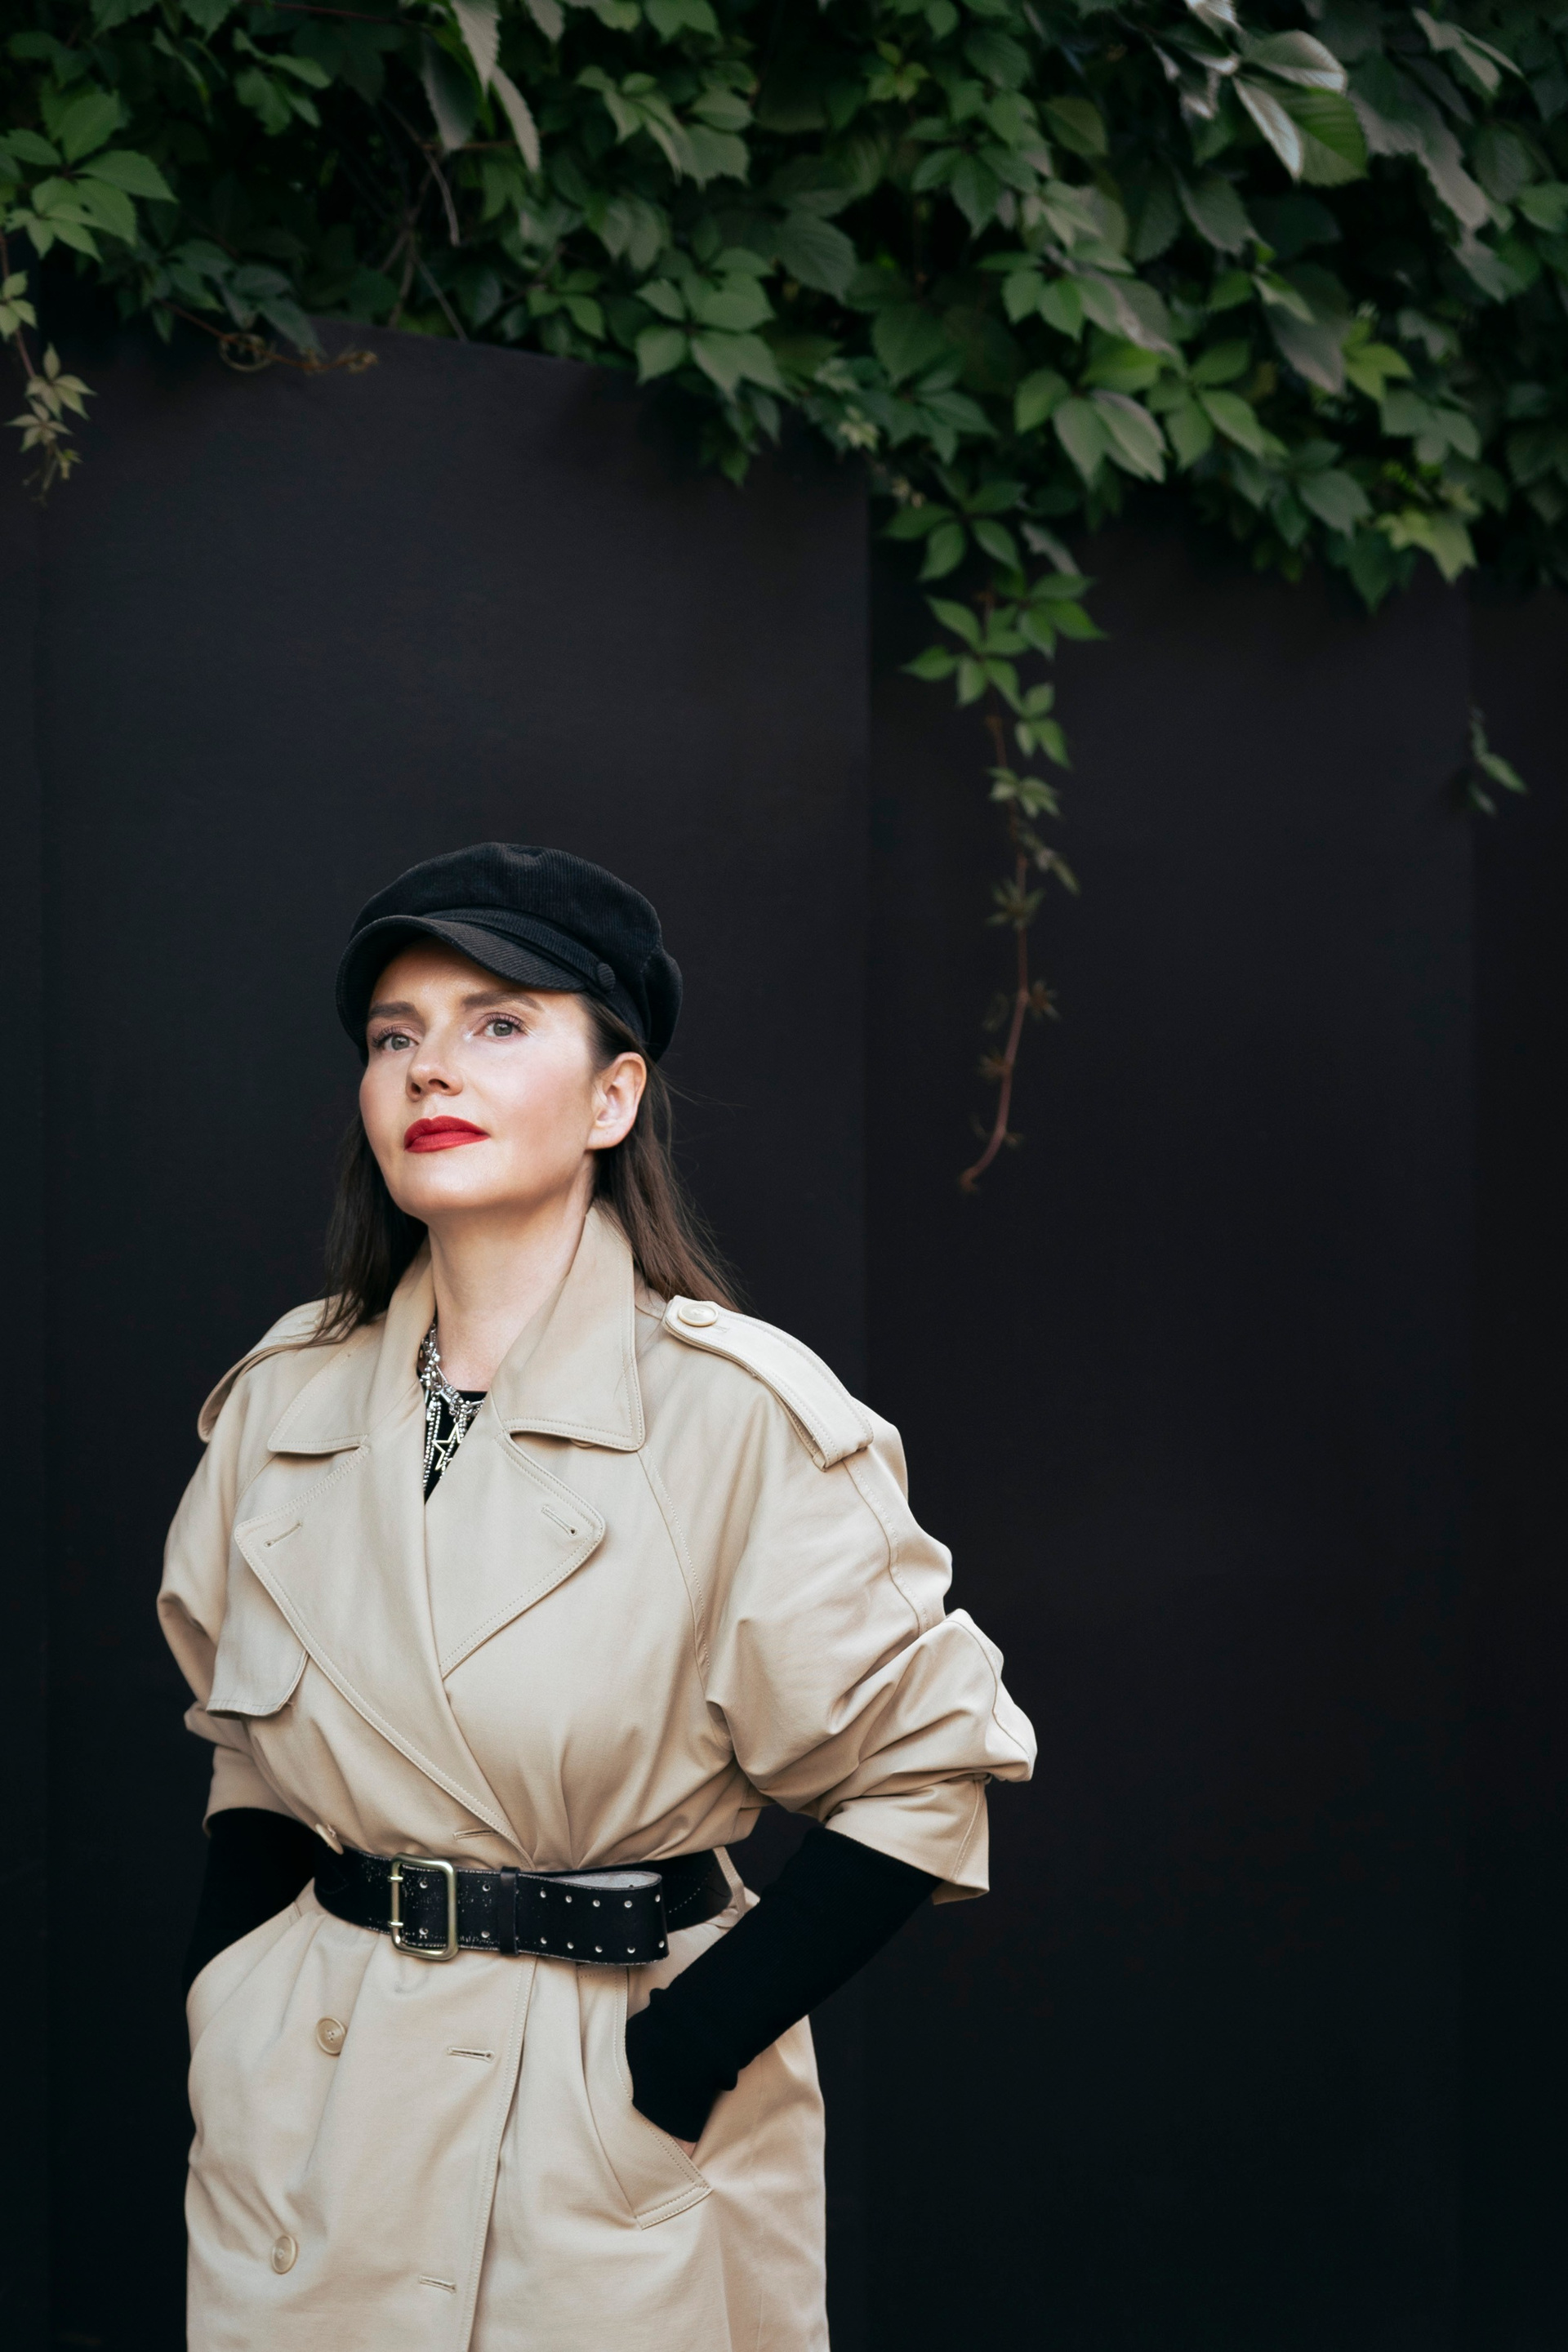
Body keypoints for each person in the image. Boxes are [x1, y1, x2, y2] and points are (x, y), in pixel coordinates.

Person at [158, 842, 1036, 2352]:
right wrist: (226, 2012)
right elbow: (249, 1754)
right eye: (395, 1035)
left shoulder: (735, 1413)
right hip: (313, 2113)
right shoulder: (281, 1401)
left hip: (604, 2113)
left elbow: (925, 1764)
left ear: (615, 1095)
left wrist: (686, 2051)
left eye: (499, 1022)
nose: (432, 1067)